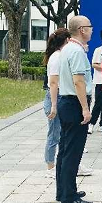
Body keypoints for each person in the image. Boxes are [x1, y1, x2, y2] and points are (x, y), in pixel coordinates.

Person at [56, 15, 94, 203]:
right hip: (74, 104)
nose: (92, 29)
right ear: (81, 30)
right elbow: (79, 81)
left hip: (66, 102)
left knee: (64, 150)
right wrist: (85, 108)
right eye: (89, 26)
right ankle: (69, 197)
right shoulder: (77, 51)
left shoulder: (67, 49)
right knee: (72, 153)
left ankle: (63, 190)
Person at [42, 28, 70, 178]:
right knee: (54, 134)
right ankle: (50, 166)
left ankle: (62, 164)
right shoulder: (56, 57)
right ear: (66, 40)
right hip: (55, 97)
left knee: (62, 133)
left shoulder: (60, 55)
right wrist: (54, 105)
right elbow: (53, 83)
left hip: (60, 96)